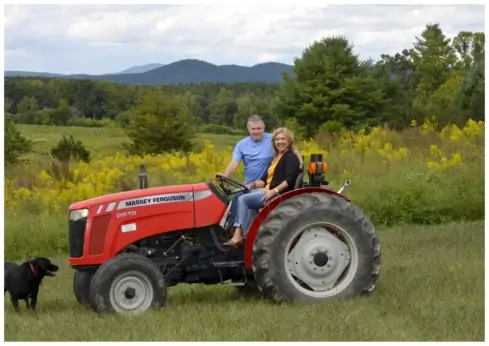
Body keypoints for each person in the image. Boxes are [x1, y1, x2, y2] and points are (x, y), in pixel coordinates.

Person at [220, 115, 303, 229]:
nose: (256, 131)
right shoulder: (242, 144)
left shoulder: (273, 139)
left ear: (263, 129)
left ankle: (243, 233)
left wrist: (300, 164)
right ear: (249, 130)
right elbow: (234, 162)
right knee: (235, 196)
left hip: (269, 186)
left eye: (259, 128)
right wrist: (225, 176)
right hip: (254, 183)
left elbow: (292, 149)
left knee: (243, 199)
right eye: (253, 129)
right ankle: (231, 228)